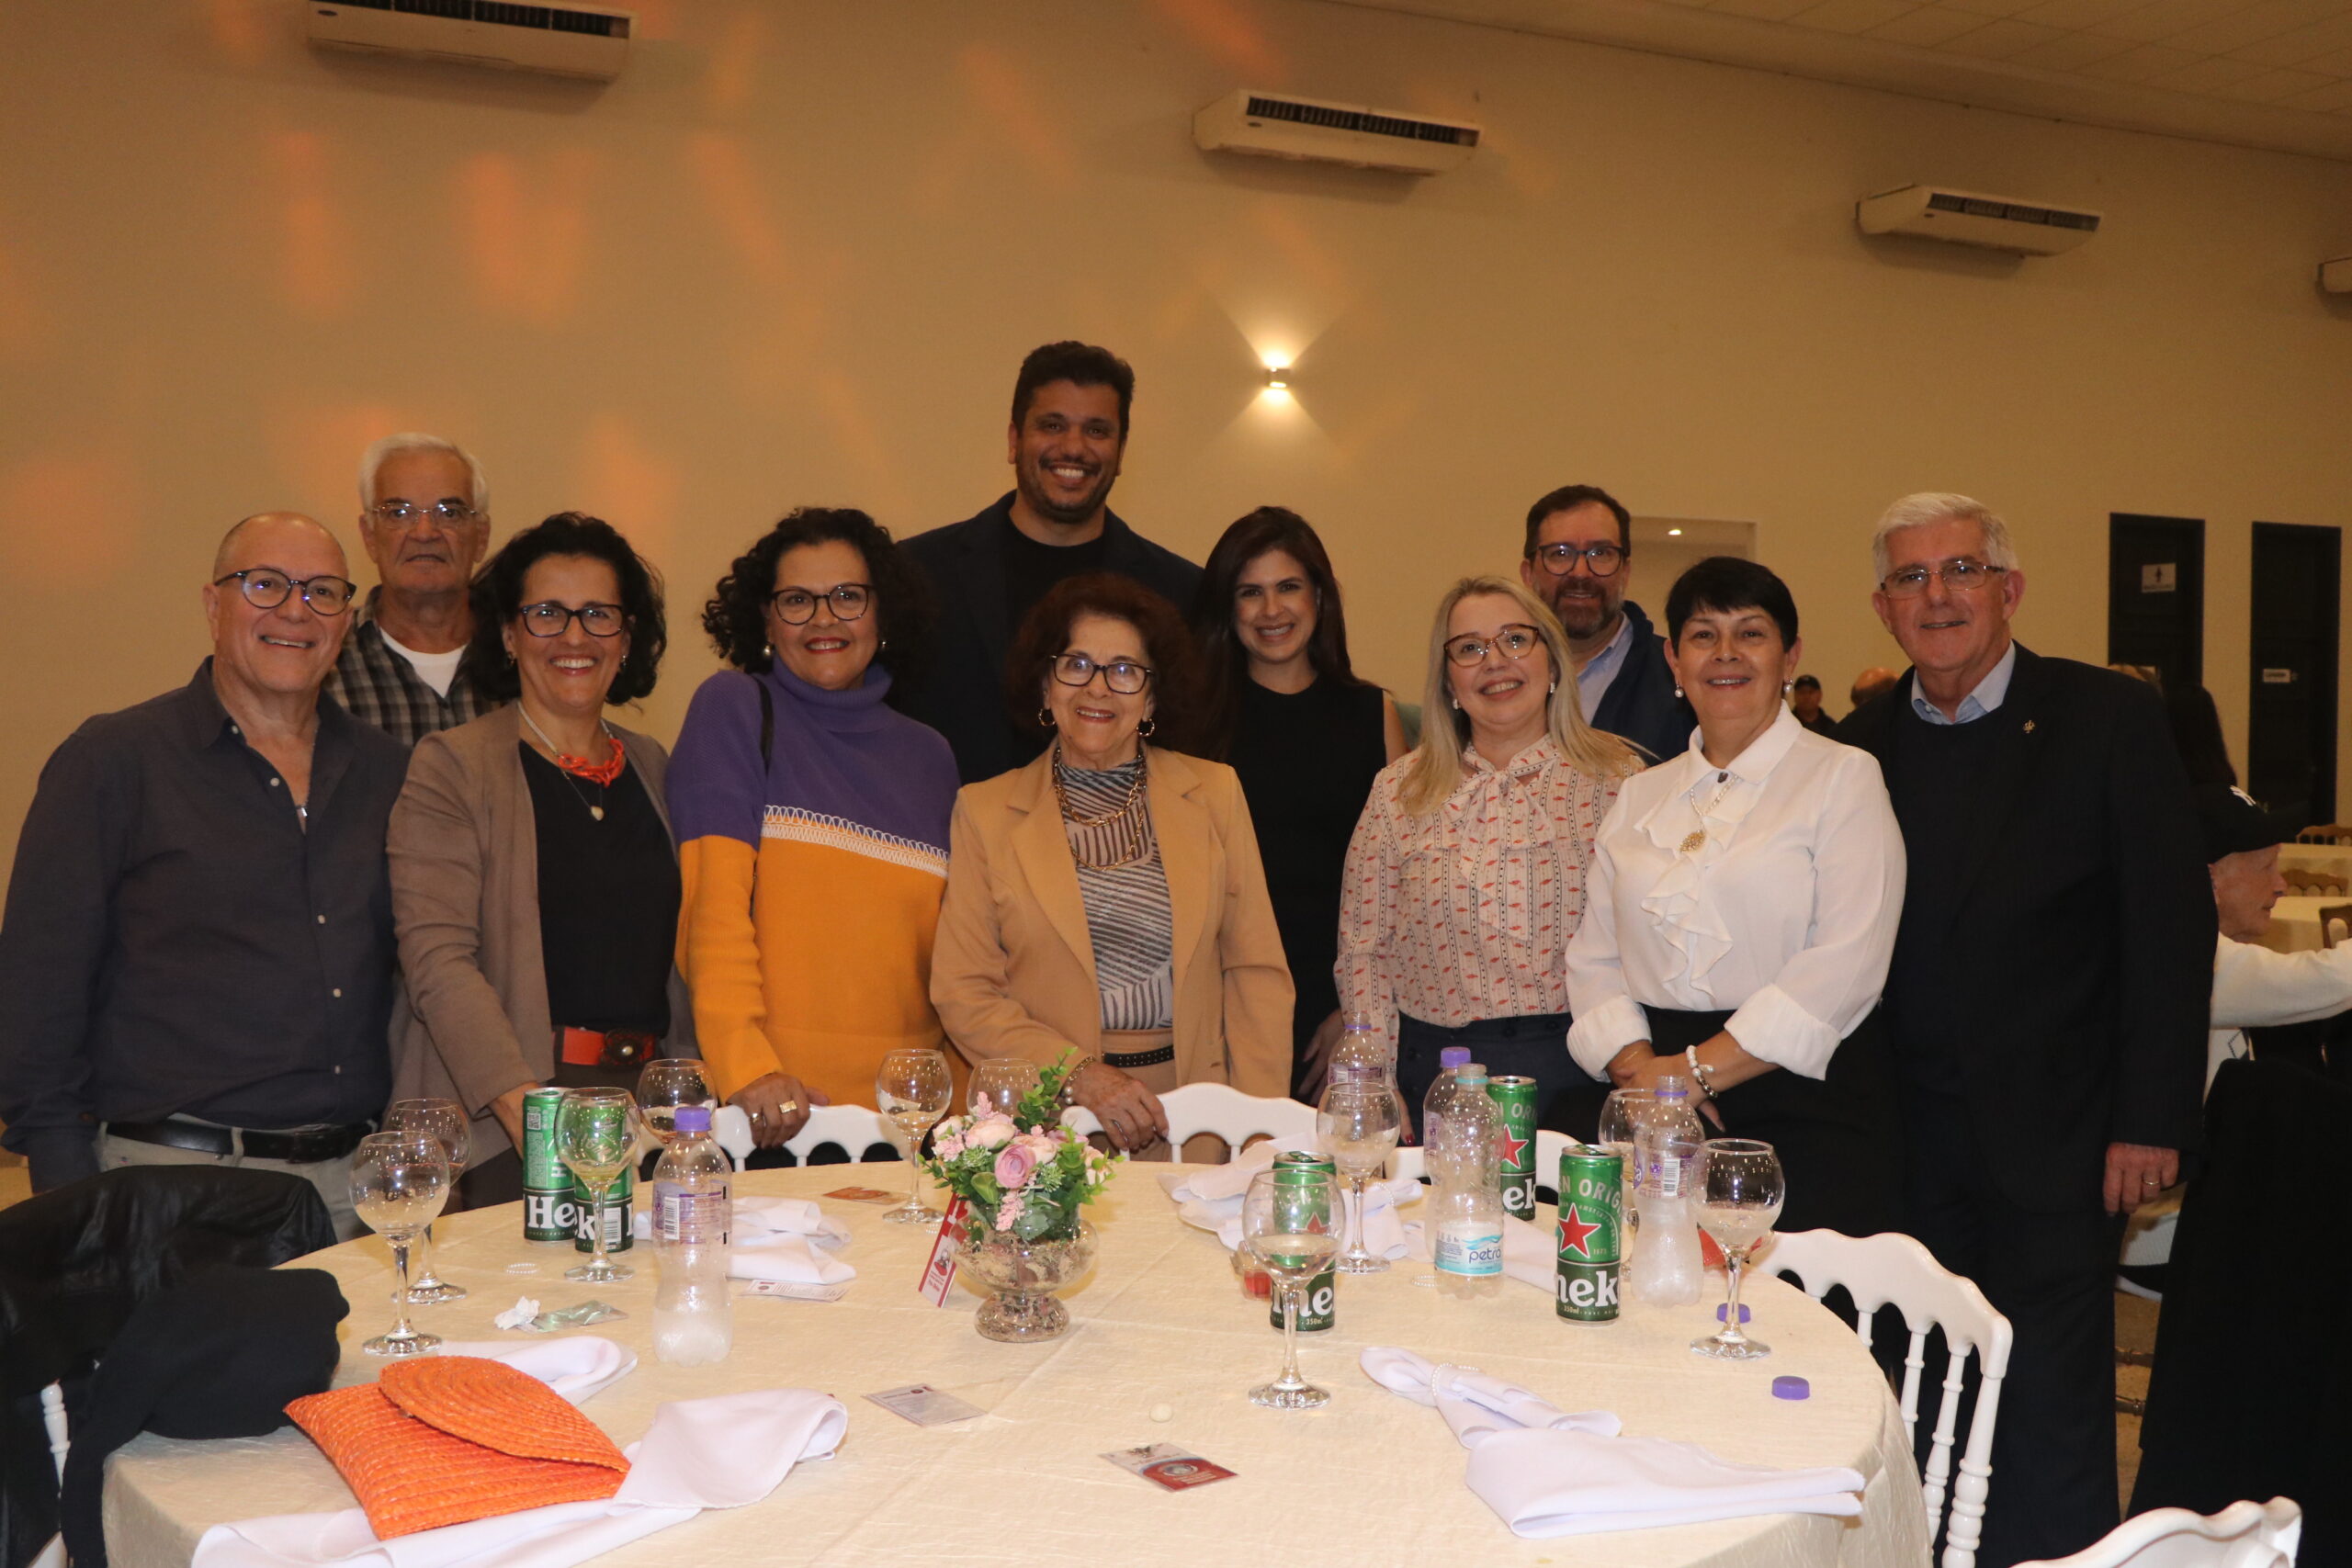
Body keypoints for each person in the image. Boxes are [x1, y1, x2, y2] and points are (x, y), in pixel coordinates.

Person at [1837, 492, 2212, 1566]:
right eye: (1910, 578)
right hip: (1905, 1143)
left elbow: (2167, 927)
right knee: (1917, 1396)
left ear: (2009, 589)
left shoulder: (2106, 718)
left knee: (2047, 1406)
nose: (1937, 596)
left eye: (1960, 570)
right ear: (1881, 607)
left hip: (2063, 1136)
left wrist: (2150, 1118)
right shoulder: (1854, 749)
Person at [0, 513, 405, 1236]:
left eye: (322, 591)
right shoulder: (113, 761)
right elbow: (36, 999)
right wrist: (72, 1210)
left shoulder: (389, 773)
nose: (295, 610)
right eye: (265, 584)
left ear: (346, 622)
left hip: (358, 1196)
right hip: (171, 1192)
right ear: (214, 605)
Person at [1564, 558, 1905, 1237]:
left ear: (1790, 656)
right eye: (1703, 635)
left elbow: (1848, 962)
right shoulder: (1639, 793)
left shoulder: (1843, 776)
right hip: (1651, 1095)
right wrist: (1646, 1077)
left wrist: (1694, 1075)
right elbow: (1593, 957)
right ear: (1674, 659)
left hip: (1802, 1091)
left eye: (1750, 633)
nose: (1725, 653)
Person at [386, 513, 693, 1204]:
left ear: (627, 638)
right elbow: (436, 959)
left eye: (598, 614)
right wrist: (527, 1108)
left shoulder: (654, 766)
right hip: (513, 1114)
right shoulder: (453, 766)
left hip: (647, 1115)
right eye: (548, 613)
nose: (575, 637)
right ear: (508, 633)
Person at [931, 573, 1291, 1157]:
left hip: (1200, 1121)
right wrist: (1079, 1075)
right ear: (1045, 685)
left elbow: (1256, 975)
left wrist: (1254, 1132)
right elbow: (964, 992)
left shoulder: (1215, 794)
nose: (1097, 688)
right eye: (1076, 665)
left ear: (1152, 698)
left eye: (1124, 670)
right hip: (1049, 1128)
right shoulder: (984, 811)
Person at [669, 508, 961, 1157]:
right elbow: (713, 913)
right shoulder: (732, 709)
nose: (824, 619)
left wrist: (963, 1115)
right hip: (778, 1116)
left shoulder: (931, 756)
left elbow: (949, 958)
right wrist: (747, 1067)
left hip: (910, 1126)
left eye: (848, 597)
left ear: (882, 613)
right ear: (767, 620)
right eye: (797, 600)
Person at [1340, 576, 1642, 1134]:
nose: (1495, 661)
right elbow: (1364, 952)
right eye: (1470, 648)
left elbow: (1650, 943)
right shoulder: (1398, 790)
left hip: (1583, 1077)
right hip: (1434, 1080)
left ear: (1552, 663)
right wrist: (1374, 1080)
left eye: (1516, 640)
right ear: (1449, 682)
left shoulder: (1621, 780)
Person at [902, 342, 1203, 784]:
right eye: (1053, 425)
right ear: (1014, 440)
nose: (1073, 447)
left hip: (1119, 825)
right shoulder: (916, 573)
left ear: (1121, 452)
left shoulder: (1182, 593)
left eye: (1097, 430)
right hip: (945, 822)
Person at [1191, 506, 1407, 1099]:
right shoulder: (1190, 724)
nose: (1271, 610)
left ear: (1318, 595)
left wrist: (1357, 1013)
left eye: (1288, 587)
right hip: (1216, 1006)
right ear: (1227, 607)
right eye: (1249, 592)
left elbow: (1403, 886)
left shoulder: (1373, 714)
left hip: (1334, 1013)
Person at [327, 434, 499, 745]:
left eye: (449, 512)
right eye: (399, 513)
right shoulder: (325, 661)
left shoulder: (525, 658)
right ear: (369, 536)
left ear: (481, 537)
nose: (424, 532)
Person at [1516, 483, 1690, 763]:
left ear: (1625, 571)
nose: (1581, 572)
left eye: (1601, 553)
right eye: (1560, 554)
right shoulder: (1497, 680)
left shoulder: (1681, 680)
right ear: (1528, 574)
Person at [1787, 673, 1839, 738]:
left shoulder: (1831, 726)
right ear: (1795, 695)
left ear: (1820, 695)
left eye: (1811, 692)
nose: (1806, 697)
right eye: (1802, 692)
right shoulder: (1787, 723)